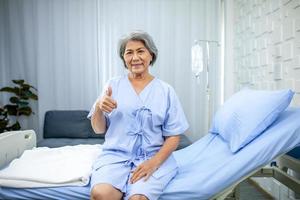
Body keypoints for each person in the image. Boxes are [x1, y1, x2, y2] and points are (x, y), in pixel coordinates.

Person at [88, 30, 189, 200]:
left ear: (151, 55)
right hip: (116, 156)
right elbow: (98, 129)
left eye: (140, 51)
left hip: (153, 157)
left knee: (139, 198)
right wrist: (99, 107)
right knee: (100, 194)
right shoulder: (112, 85)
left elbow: (173, 136)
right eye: (129, 52)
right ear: (124, 58)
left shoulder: (165, 91)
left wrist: (153, 163)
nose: (135, 57)